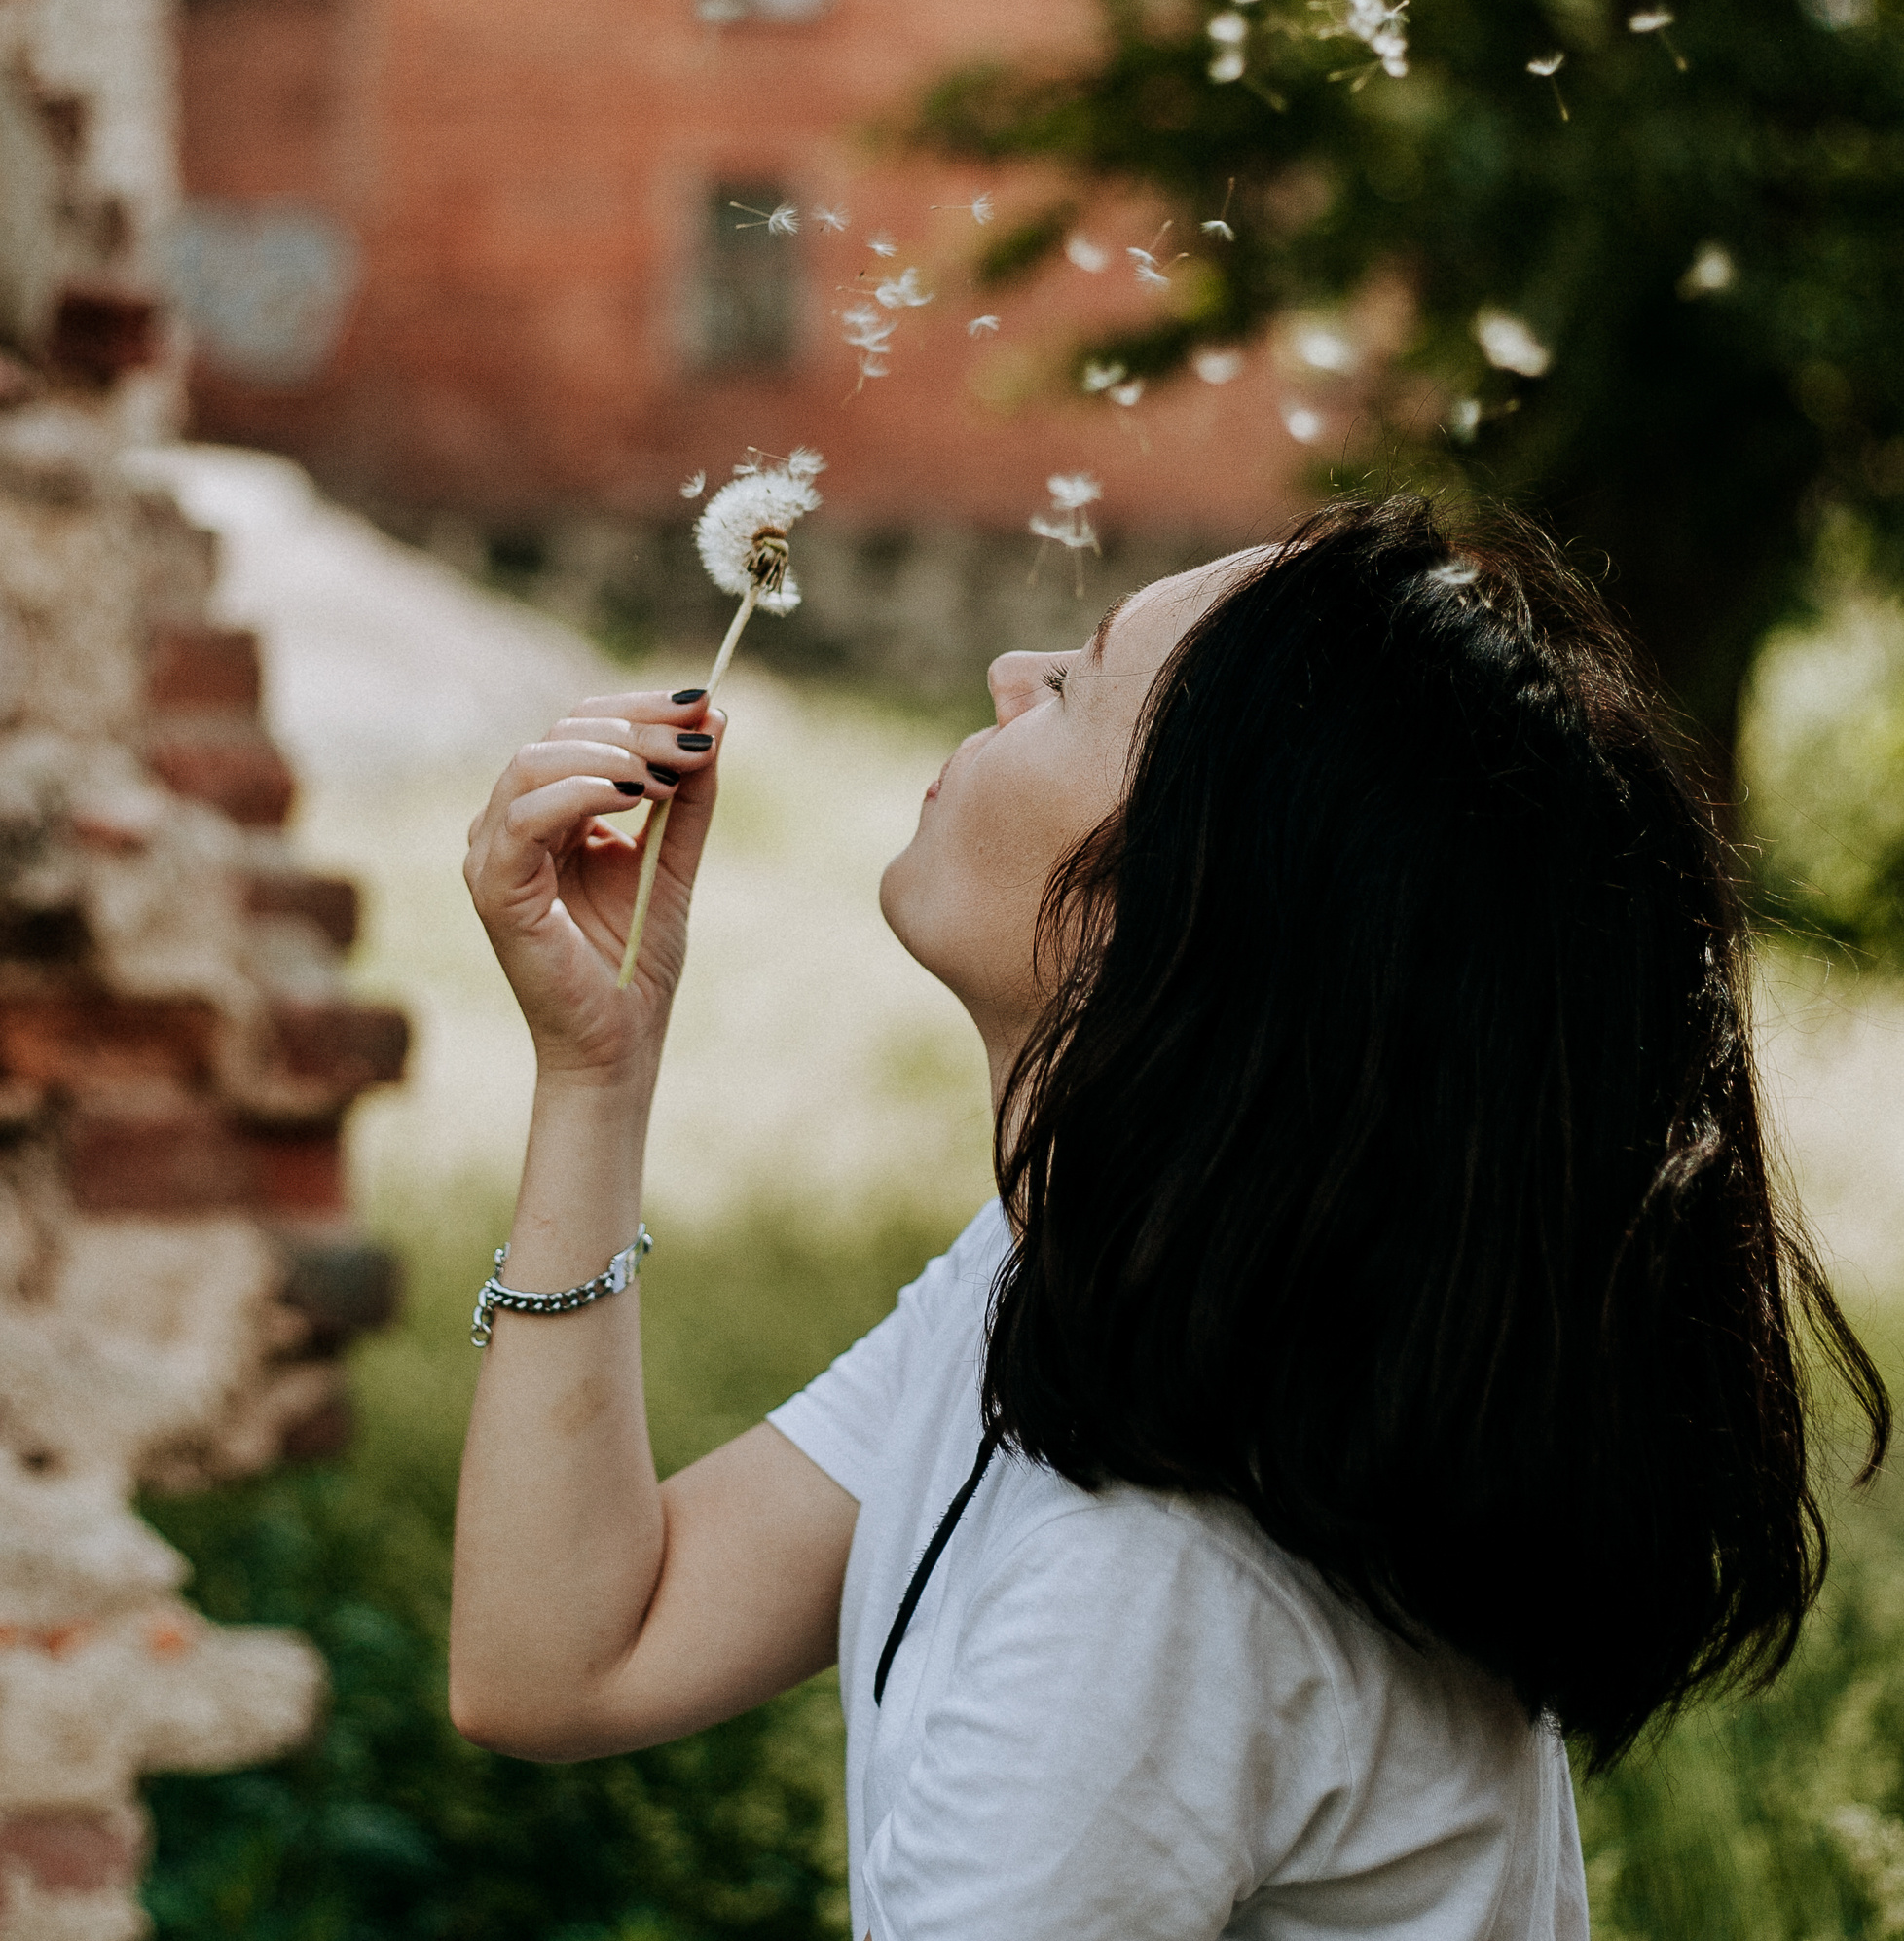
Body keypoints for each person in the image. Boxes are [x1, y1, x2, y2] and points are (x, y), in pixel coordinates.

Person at [450, 494, 1887, 1940]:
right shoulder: (1084, 1290)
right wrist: (595, 1071)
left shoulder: (1153, 1591)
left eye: (1075, 682)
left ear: (1194, 900)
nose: (1009, 671)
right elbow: (567, 1658)